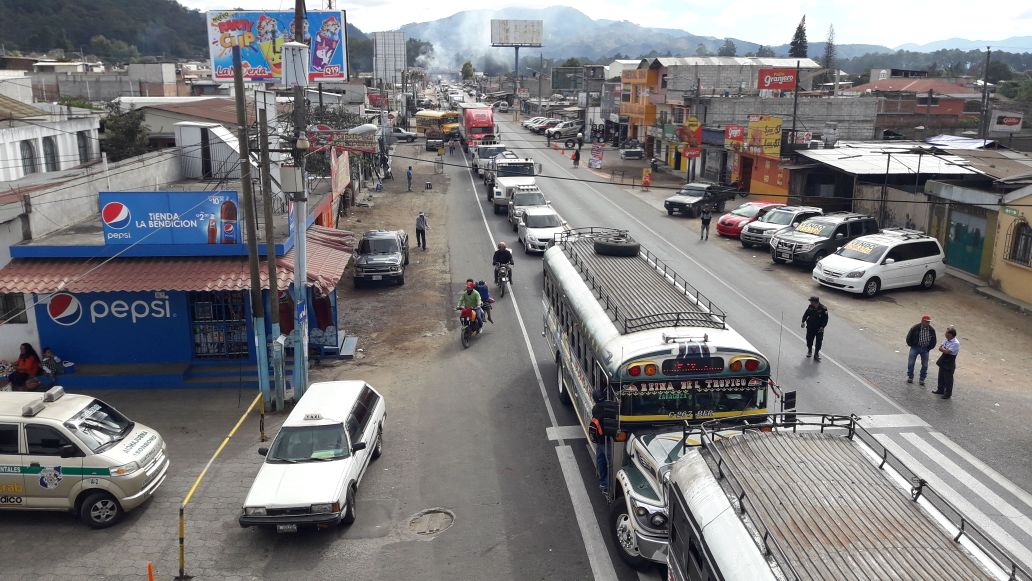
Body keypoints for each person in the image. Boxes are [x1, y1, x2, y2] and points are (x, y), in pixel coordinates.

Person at [905, 315, 937, 386]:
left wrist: (929, 348)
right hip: (915, 347)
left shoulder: (931, 330)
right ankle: (910, 376)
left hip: (925, 349)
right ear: (922, 321)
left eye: (928, 322)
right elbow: (909, 337)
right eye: (926, 321)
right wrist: (911, 344)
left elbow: (934, 340)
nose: (927, 323)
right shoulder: (915, 328)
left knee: (925, 365)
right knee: (911, 363)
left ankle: (922, 379)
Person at [589, 389, 609, 494]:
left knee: (601, 461)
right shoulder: (610, 407)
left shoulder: (595, 409)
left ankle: (603, 483)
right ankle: (608, 484)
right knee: (609, 463)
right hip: (609, 439)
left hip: (600, 440)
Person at [933, 326, 960, 399]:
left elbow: (947, 351)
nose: (945, 334)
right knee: (941, 376)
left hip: (949, 361)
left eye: (946, 333)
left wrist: (944, 349)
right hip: (943, 359)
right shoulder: (946, 339)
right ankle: (940, 390)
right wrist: (944, 349)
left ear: (951, 335)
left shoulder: (956, 343)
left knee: (948, 379)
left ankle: (948, 393)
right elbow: (940, 348)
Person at [800, 296, 828, 361]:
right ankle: (809, 350)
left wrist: (822, 327)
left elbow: (825, 320)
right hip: (810, 327)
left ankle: (816, 354)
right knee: (809, 339)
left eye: (811, 301)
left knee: (818, 342)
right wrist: (803, 321)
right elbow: (806, 314)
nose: (810, 302)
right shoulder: (810, 307)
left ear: (815, 302)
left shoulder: (823, 309)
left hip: (819, 329)